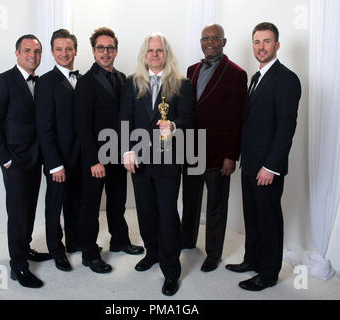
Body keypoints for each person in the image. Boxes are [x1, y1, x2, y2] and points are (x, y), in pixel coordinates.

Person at [225, 22, 301, 291]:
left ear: (277, 45)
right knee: (253, 217)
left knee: (269, 220)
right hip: (250, 164)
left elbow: (285, 128)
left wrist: (271, 166)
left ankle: (268, 274)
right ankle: (252, 260)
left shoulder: (286, 78)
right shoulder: (256, 78)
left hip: (267, 167)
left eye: (267, 41)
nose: (261, 46)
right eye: (257, 41)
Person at [120, 33, 194, 296]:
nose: (154, 54)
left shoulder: (182, 84)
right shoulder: (132, 83)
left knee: (167, 215)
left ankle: (171, 270)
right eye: (150, 50)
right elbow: (125, 118)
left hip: (168, 162)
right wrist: (126, 150)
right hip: (139, 160)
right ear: (144, 54)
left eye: (159, 50)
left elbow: (189, 120)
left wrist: (173, 126)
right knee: (146, 211)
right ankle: (152, 252)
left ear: (166, 54)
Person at [74, 27, 144, 274]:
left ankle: (119, 240)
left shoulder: (123, 79)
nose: (106, 52)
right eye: (101, 48)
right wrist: (93, 160)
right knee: (91, 206)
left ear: (116, 50)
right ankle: (89, 253)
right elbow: (82, 126)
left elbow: (126, 118)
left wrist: (128, 150)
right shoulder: (85, 83)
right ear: (93, 51)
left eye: (110, 48)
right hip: (95, 158)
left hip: (118, 154)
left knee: (118, 201)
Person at [0, 34, 51, 289]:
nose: (32, 55)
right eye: (27, 50)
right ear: (17, 53)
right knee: (18, 213)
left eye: (37, 51)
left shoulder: (40, 83)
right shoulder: (3, 81)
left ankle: (25, 247)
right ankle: (18, 266)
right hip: (14, 161)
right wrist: (5, 159)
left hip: (35, 159)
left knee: (29, 208)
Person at [181, 24, 247, 272]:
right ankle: (186, 239)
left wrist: (231, 155)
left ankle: (213, 253)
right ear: (201, 41)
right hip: (190, 149)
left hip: (219, 152)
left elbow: (237, 118)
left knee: (216, 206)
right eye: (206, 38)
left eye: (215, 38)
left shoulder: (236, 74)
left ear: (224, 41)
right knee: (190, 200)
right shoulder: (191, 70)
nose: (210, 41)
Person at [35, 29, 82, 272]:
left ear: (75, 50)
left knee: (75, 202)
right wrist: (54, 163)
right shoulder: (45, 82)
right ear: (52, 53)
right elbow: (44, 127)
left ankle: (74, 241)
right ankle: (56, 248)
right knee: (55, 205)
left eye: (68, 48)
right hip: (59, 160)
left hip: (80, 157)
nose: (64, 53)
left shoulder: (82, 79)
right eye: (59, 49)